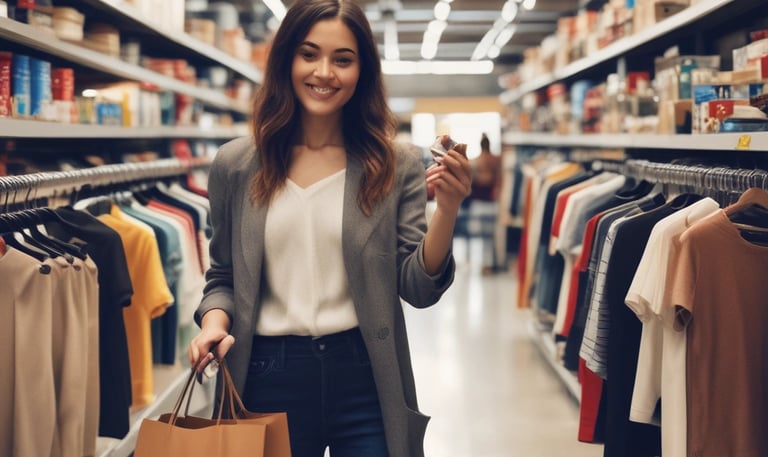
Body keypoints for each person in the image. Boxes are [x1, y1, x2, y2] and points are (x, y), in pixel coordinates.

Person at [186, 1, 471, 457]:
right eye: (309, 54)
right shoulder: (236, 164)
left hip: (365, 374)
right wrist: (213, 325)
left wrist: (448, 209)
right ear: (286, 60)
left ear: (362, 71)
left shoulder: (393, 164)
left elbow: (417, 288)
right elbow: (223, 276)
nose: (324, 72)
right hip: (265, 376)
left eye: (343, 59)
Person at [469, 133, 503, 274]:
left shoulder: (477, 161)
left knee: (483, 237)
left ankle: (487, 264)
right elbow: (498, 180)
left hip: (480, 202)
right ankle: (491, 263)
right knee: (492, 236)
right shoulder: (495, 160)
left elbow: (473, 181)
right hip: (491, 201)